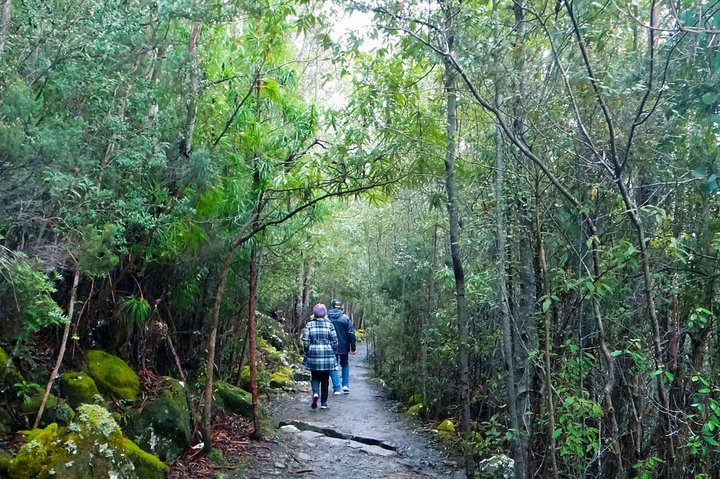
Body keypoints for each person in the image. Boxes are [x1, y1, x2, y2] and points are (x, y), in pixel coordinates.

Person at [302, 303, 338, 409]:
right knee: (325, 379)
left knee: (315, 376)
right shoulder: (329, 325)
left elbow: (306, 340)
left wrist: (307, 350)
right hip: (327, 354)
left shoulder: (309, 325)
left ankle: (316, 393)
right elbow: (335, 341)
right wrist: (333, 351)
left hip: (313, 353)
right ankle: (324, 403)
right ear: (325, 314)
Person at [328, 298, 357, 394]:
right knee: (344, 364)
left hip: (330, 346)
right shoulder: (345, 318)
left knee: (333, 366)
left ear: (331, 306)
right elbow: (351, 333)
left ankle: (336, 388)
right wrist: (353, 347)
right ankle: (345, 385)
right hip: (344, 346)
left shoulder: (326, 317)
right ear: (341, 307)